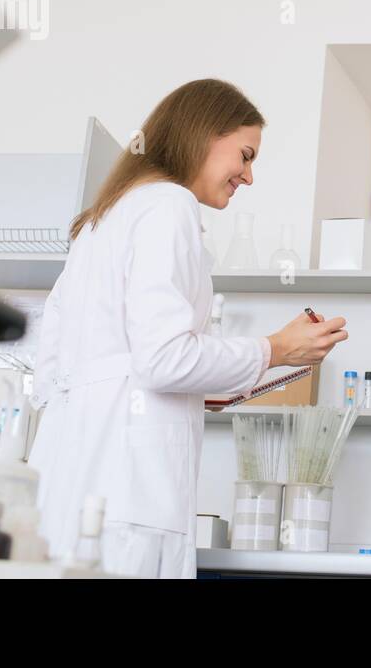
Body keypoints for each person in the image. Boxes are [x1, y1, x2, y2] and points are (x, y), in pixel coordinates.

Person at [29, 79, 347, 577]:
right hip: (131, 499)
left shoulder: (97, 224)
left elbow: (49, 377)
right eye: (244, 155)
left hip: (63, 489)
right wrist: (276, 349)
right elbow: (162, 360)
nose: (247, 175)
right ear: (202, 135)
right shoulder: (168, 205)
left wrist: (201, 387)